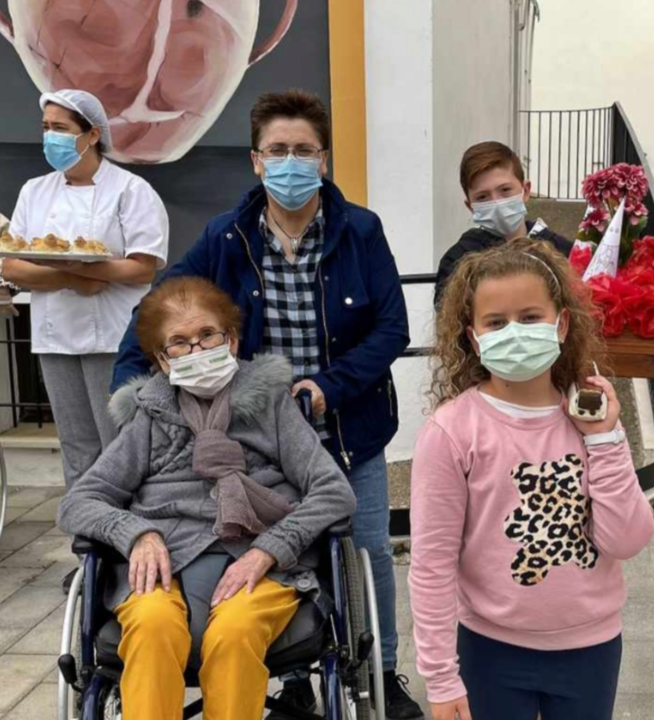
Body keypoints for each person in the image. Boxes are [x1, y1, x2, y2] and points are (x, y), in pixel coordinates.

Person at [109, 90, 420, 719]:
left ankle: (383, 670)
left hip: (347, 422)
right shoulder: (226, 236)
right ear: (256, 160)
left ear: (324, 160)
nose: (291, 162)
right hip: (260, 430)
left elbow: (391, 327)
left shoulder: (361, 230)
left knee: (365, 551)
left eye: (304, 150)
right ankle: (298, 680)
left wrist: (327, 386)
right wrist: (135, 391)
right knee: (280, 545)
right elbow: (162, 310)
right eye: (278, 150)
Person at [57, 276, 358, 720]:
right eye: (179, 343)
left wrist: (269, 550)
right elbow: (79, 501)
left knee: (235, 633)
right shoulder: (147, 417)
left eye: (207, 335)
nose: (197, 351)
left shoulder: (271, 405)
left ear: (231, 340)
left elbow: (334, 491)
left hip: (261, 560)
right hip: (164, 562)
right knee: (151, 625)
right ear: (162, 361)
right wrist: (136, 534)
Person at [410, 239, 654, 720]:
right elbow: (432, 565)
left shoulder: (592, 416)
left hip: (590, 648)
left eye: (530, 317)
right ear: (474, 337)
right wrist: (440, 677)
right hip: (490, 650)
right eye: (496, 323)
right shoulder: (452, 431)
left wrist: (604, 441)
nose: (514, 332)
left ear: (561, 323)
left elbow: (627, 538)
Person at [2, 89, 169, 493]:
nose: (50, 138)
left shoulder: (130, 190)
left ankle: (129, 542)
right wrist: (75, 278)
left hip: (113, 336)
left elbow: (143, 266)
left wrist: (94, 269)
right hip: (54, 336)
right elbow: (12, 263)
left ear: (92, 134)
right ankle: (86, 545)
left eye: (60, 128)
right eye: (46, 128)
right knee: (76, 447)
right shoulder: (34, 191)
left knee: (120, 443)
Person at [432, 141, 572, 306]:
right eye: (482, 197)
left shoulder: (562, 251)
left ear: (525, 191)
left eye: (505, 190)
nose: (497, 202)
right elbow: (450, 321)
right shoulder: (457, 261)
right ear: (470, 206)